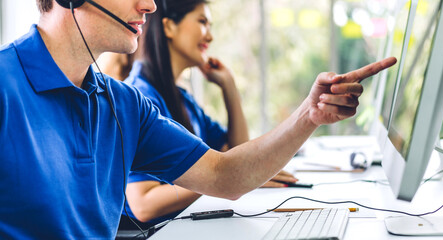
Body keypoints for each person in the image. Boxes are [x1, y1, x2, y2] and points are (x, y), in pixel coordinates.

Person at [0, 0, 396, 238]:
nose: (151, 5)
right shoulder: (5, 87)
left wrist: (308, 116)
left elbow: (225, 176)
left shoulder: (122, 104)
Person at [119, 0, 298, 227]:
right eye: (202, 22)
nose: (210, 37)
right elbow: (144, 204)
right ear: (169, 27)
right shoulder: (140, 96)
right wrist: (221, 181)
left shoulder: (182, 98)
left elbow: (236, 153)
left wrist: (229, 88)